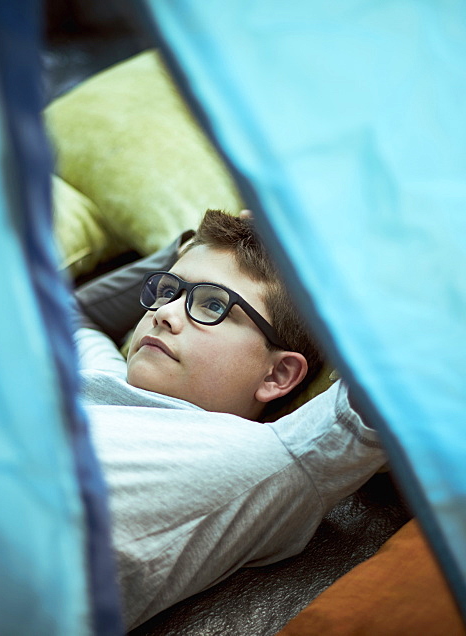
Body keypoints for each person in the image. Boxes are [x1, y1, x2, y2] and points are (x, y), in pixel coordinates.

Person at [73, 210, 386, 629]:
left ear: (277, 375)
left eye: (213, 305)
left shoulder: (267, 459)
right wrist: (189, 247)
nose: (165, 313)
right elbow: (72, 313)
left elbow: (392, 381)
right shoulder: (105, 375)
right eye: (168, 291)